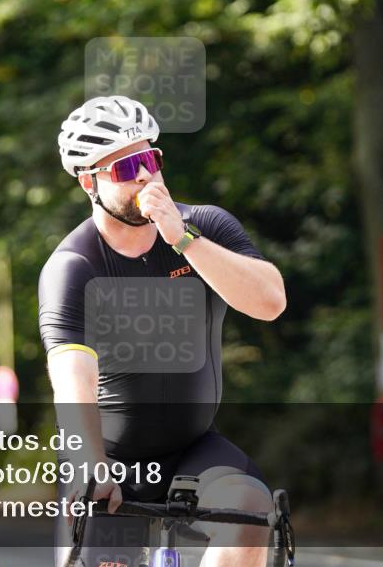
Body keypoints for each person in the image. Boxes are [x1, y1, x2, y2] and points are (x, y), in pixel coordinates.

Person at [39, 96, 287, 567]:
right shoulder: (74, 267)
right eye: (127, 166)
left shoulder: (205, 226)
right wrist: (91, 465)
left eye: (151, 158)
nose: (145, 176)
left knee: (251, 511)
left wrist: (184, 241)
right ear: (89, 182)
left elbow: (271, 303)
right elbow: (73, 383)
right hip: (108, 458)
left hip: (195, 447)